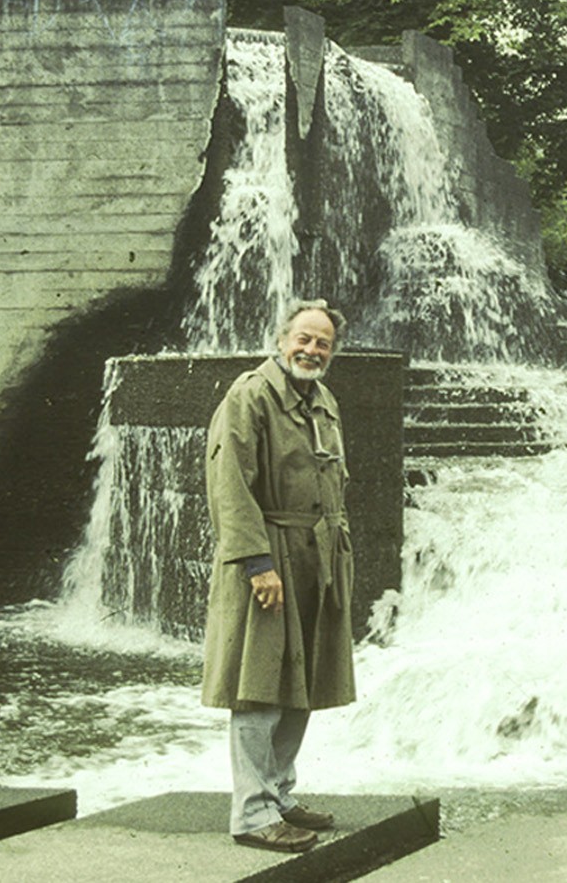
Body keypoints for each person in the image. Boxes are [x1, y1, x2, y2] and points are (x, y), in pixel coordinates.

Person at [201, 300, 356, 852]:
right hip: (269, 559)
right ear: (281, 338)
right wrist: (258, 564)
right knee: (259, 689)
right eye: (304, 339)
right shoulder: (250, 396)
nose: (312, 350)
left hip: (316, 559)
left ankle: (279, 794)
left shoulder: (323, 398)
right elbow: (228, 485)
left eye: (323, 344)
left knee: (301, 684)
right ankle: (252, 814)